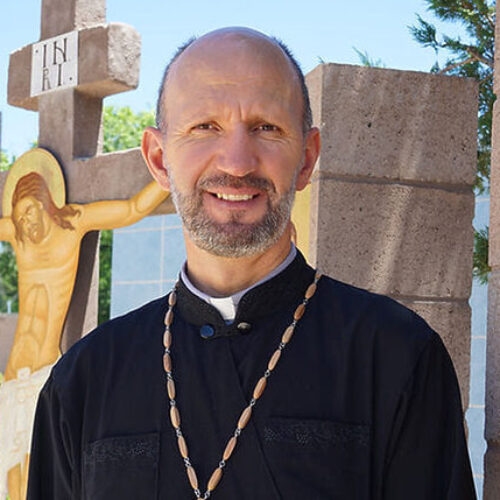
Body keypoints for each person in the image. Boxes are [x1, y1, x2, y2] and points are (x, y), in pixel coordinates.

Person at [27, 27, 476, 499]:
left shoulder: (397, 357)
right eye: (205, 127)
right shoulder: (83, 380)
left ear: (307, 158)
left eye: (267, 128)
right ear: (159, 159)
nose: (238, 163)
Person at [0, 152, 168, 500]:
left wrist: (173, 173)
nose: (25, 221)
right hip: (13, 372)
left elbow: (133, 208)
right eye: (19, 214)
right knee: (9, 475)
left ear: (46, 202)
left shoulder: (72, 225)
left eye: (30, 210)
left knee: (37, 474)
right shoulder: (18, 236)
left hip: (45, 370)